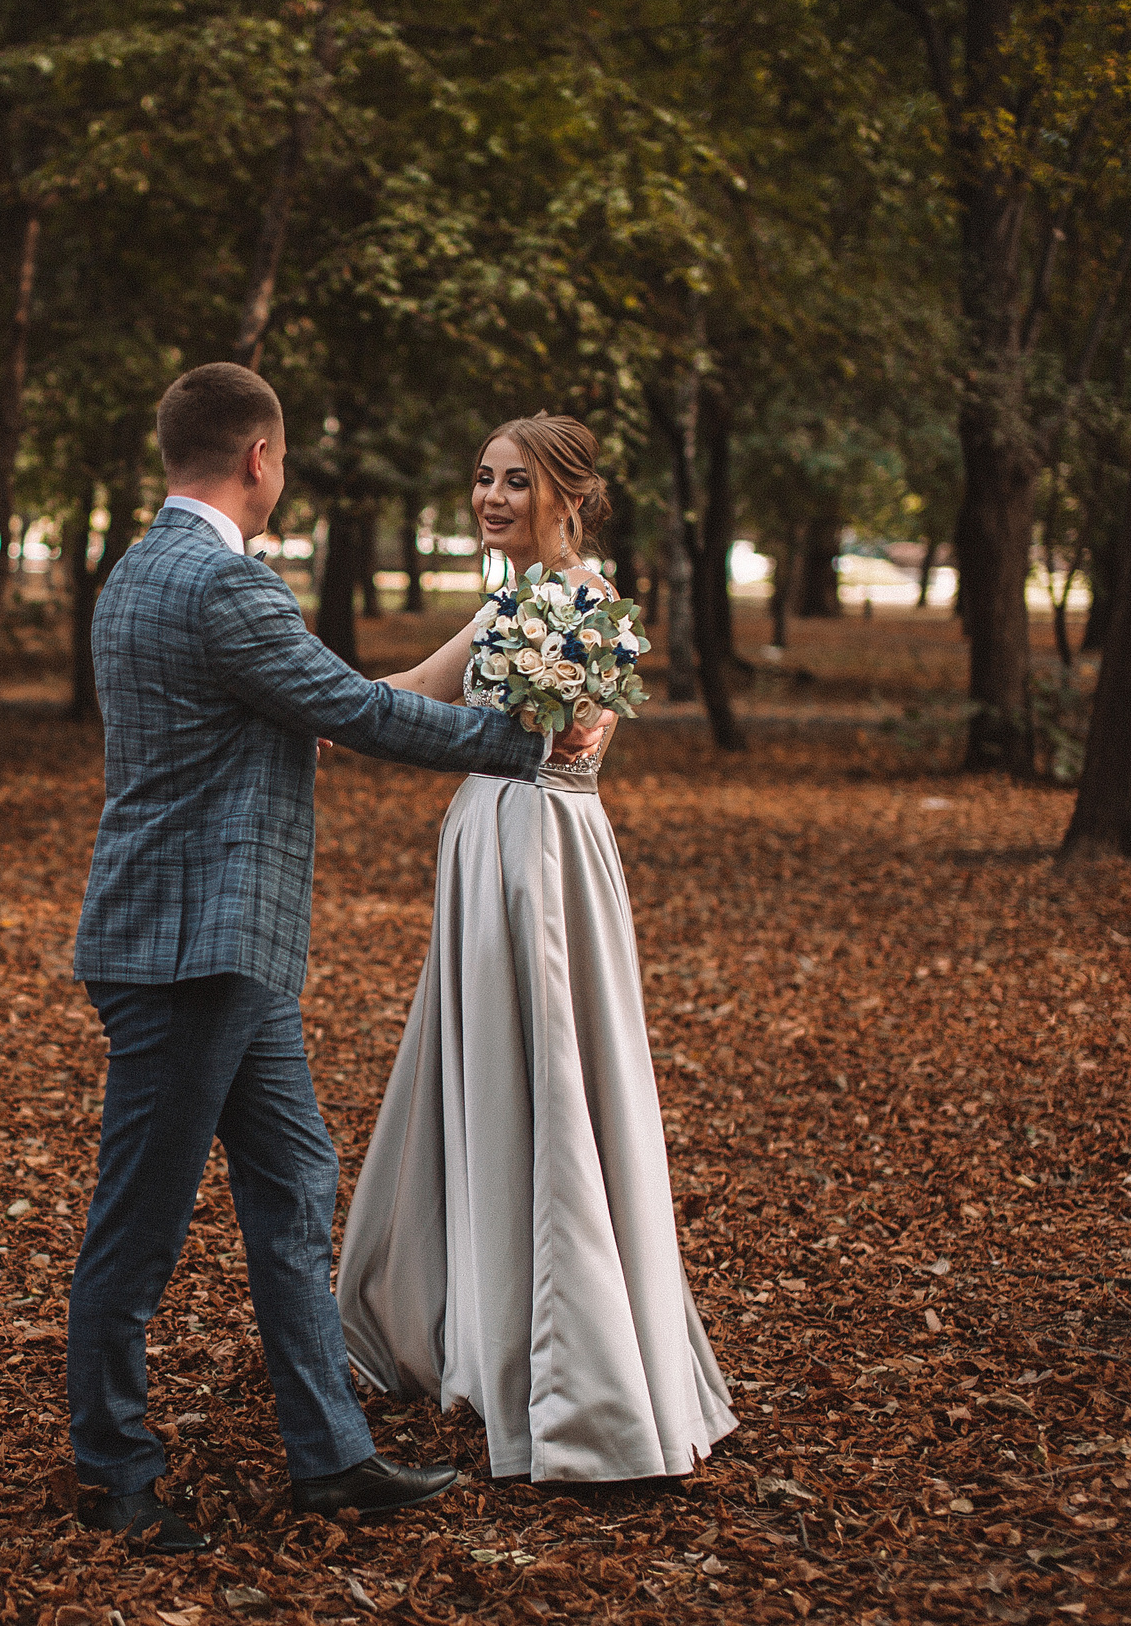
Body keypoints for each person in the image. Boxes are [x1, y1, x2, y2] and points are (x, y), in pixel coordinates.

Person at [68, 365, 558, 1550]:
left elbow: (300, 707)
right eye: (282, 460)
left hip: (215, 943)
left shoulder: (136, 570)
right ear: (259, 458)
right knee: (137, 1225)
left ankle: (328, 1454)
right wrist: (522, 743)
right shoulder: (224, 587)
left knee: (293, 1180)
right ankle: (113, 1474)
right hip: (192, 952)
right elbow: (357, 711)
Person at [336, 414, 737, 1482]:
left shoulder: (588, 605)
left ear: (567, 496)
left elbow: (576, 736)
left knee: (548, 1075)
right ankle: (475, 1316)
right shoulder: (507, 603)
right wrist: (312, 708)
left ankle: (572, 1366)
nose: (492, 496)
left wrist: (566, 719)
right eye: (481, 479)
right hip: (479, 851)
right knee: (481, 1075)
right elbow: (412, 688)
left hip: (541, 860)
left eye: (516, 482)